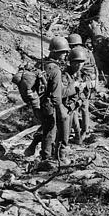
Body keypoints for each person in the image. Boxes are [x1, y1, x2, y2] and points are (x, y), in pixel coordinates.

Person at [39, 36, 71, 166]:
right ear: (56, 52)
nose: (65, 55)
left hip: (41, 102)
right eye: (63, 52)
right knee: (50, 131)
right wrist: (60, 109)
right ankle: (47, 159)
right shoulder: (56, 70)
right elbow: (57, 95)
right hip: (50, 104)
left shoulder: (43, 64)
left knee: (47, 130)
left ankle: (46, 156)